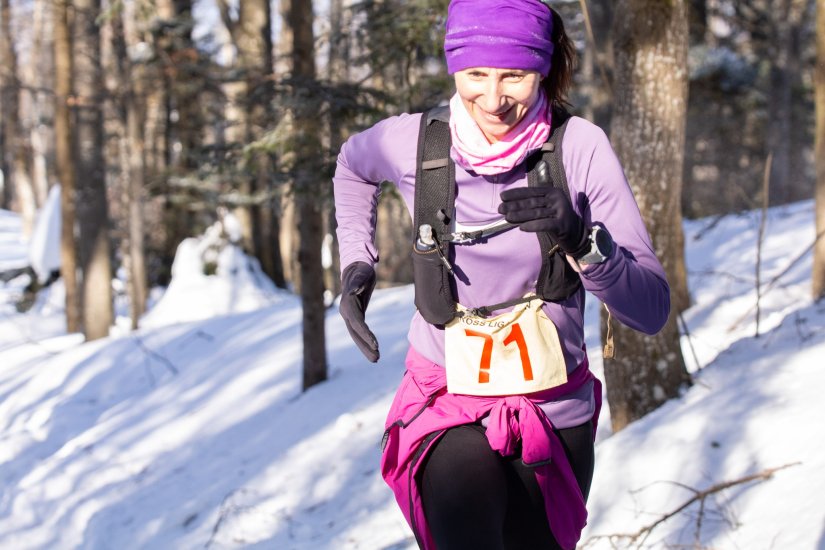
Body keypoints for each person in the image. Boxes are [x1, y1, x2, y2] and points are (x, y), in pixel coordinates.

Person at [333, 1, 670, 548]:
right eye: (475, 75)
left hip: (551, 405)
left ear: (542, 68)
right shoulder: (413, 143)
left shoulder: (580, 148)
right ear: (453, 70)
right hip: (445, 398)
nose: (493, 99)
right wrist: (356, 260)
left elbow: (651, 310)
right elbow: (351, 167)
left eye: (513, 75)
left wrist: (583, 243)